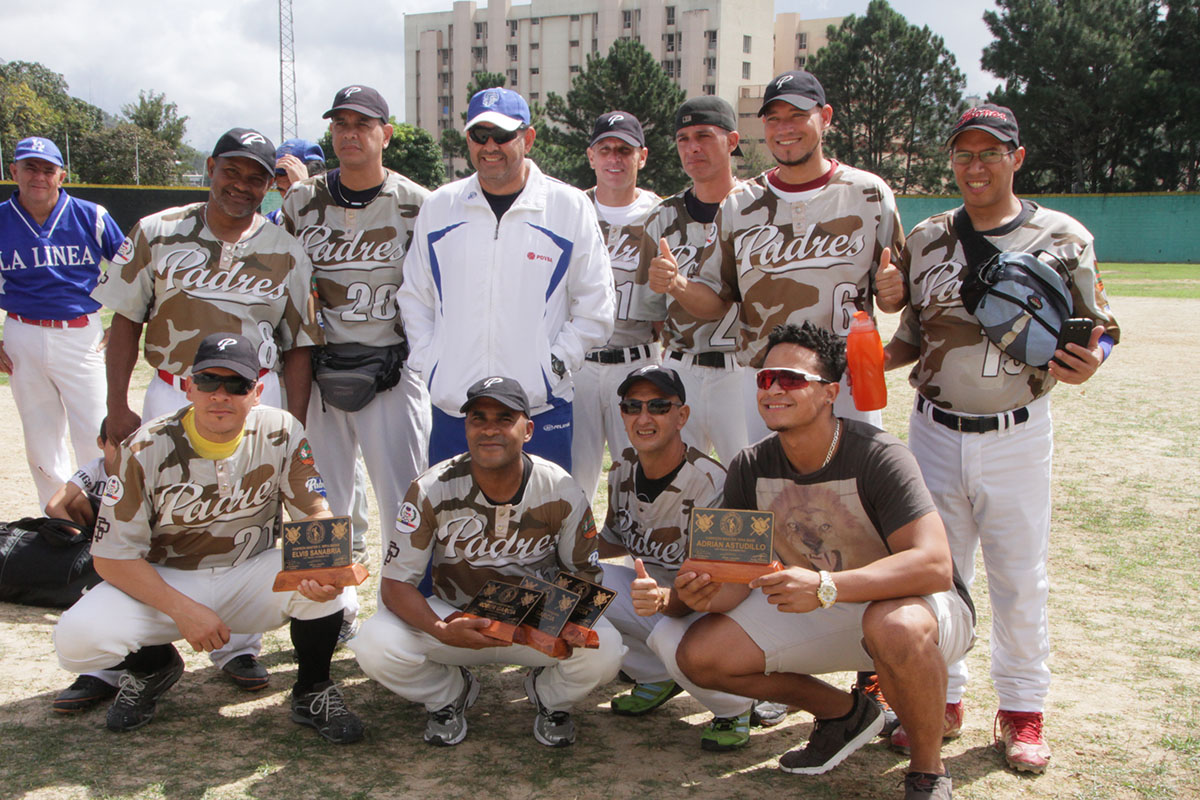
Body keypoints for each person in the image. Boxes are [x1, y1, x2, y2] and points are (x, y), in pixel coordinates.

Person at [884, 104, 1120, 774]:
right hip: (932, 429)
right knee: (939, 573)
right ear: (952, 159)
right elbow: (913, 335)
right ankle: (944, 697)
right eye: (964, 153)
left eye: (991, 153)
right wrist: (863, 358)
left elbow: (1100, 324)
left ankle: (1022, 709)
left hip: (1017, 431)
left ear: (1017, 158)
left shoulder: (1063, 235)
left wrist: (1093, 355)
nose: (976, 166)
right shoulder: (928, 238)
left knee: (1019, 576)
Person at [663, 322, 975, 800]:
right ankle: (842, 713)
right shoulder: (751, 466)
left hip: (914, 607)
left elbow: (933, 565)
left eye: (790, 379)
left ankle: (928, 771)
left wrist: (827, 584)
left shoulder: (878, 455)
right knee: (700, 655)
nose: (773, 390)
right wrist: (692, 592)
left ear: (830, 392)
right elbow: (734, 578)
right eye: (766, 379)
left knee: (893, 627)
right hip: (825, 604)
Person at [94, 127, 324, 689]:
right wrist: (117, 404)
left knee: (250, 515)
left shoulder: (283, 250)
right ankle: (147, 646)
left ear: (270, 184)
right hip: (172, 388)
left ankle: (239, 647)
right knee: (150, 515)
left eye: (256, 176)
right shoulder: (158, 231)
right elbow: (124, 319)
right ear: (211, 167)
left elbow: (298, 344)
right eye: (233, 171)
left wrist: (293, 419)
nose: (241, 185)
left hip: (252, 397)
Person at [52, 333, 363, 743]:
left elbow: (314, 511)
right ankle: (154, 667)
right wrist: (183, 610)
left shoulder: (281, 429)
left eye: (235, 385)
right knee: (75, 639)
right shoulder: (145, 446)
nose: (221, 395)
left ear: (256, 392)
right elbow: (111, 558)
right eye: (208, 381)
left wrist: (322, 567)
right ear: (188, 386)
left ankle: (312, 689)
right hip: (167, 579)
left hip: (248, 572)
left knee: (334, 584)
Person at [351, 376, 622, 748]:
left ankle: (549, 697)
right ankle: (450, 693)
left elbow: (584, 575)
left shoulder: (559, 487)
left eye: (503, 418)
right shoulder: (432, 487)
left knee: (605, 650)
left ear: (527, 430)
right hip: (456, 614)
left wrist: (554, 623)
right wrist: (440, 629)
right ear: (466, 427)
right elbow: (396, 584)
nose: (489, 429)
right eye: (478, 418)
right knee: (374, 643)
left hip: (534, 619)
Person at [646, 70, 906, 442]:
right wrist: (678, 284)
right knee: (772, 494)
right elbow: (716, 303)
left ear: (826, 116)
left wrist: (893, 292)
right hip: (769, 381)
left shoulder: (868, 193)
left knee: (854, 492)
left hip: (849, 378)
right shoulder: (740, 203)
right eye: (774, 119)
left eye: (798, 115)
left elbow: (893, 299)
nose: (785, 128)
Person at [399, 87, 614, 472]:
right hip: (456, 411)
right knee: (457, 530)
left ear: (528, 138)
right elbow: (415, 297)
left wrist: (553, 367)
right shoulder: (439, 206)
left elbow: (596, 307)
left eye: (502, 135)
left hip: (538, 412)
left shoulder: (568, 206)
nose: (490, 146)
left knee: (540, 529)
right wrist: (431, 364)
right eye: (479, 135)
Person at [281, 85, 432, 565]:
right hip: (321, 371)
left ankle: (404, 603)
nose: (350, 134)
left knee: (404, 500)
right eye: (340, 124)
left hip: (392, 370)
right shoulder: (301, 202)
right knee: (319, 500)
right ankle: (325, 606)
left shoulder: (417, 203)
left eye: (362, 124)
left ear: (385, 134)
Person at [599, 364, 759, 751]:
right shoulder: (621, 470)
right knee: (584, 582)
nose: (644, 417)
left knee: (673, 638)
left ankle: (734, 705)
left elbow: (725, 589)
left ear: (681, 415)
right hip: (662, 595)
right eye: (632, 406)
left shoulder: (713, 483)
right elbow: (609, 542)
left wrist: (668, 602)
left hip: (720, 607)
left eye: (658, 406)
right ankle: (655, 677)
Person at [0, 136, 124, 507]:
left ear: (61, 175)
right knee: (41, 438)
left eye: (47, 169)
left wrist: (121, 322)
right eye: (30, 167)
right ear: (14, 171)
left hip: (80, 332)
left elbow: (132, 271)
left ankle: (104, 516)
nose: (39, 176)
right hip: (22, 332)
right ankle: (59, 524)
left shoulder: (91, 215)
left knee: (95, 430)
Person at [632, 96, 749, 463]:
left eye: (704, 135)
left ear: (732, 141)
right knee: (682, 479)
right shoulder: (662, 218)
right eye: (683, 138)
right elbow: (651, 311)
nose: (692, 147)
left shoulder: (760, 208)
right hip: (683, 369)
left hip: (743, 369)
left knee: (748, 477)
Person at [571, 111, 661, 501]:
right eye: (605, 149)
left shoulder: (662, 214)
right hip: (579, 364)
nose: (614, 159)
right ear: (591, 156)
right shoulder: (570, 209)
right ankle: (572, 560)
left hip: (637, 358)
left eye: (624, 150)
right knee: (572, 476)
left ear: (642, 156)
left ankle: (637, 560)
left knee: (640, 473)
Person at [43, 416, 124, 713]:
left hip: (130, 545)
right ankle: (103, 669)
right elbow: (55, 505)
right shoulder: (96, 467)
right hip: (100, 541)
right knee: (76, 502)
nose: (121, 451)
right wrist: (82, 541)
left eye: (128, 444)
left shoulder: (140, 466)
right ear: (102, 443)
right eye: (115, 444)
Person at [266, 138, 325, 224]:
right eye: (281, 190)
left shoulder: (338, 214)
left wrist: (306, 193)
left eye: (294, 190)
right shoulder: (275, 219)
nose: (287, 196)